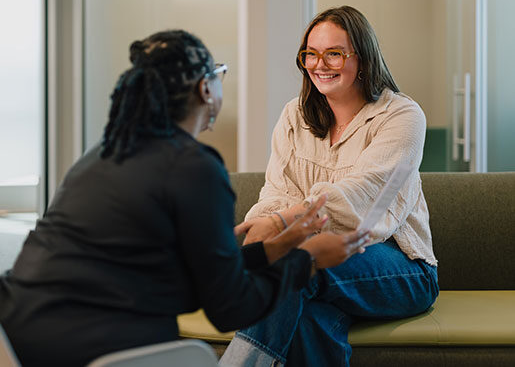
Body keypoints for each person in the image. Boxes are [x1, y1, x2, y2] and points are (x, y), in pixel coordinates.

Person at [0, 30, 370, 366]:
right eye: (219, 74)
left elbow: (192, 278)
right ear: (206, 89)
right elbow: (230, 309)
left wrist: (275, 248)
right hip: (104, 352)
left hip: (17, 339)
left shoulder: (101, 155)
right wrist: (307, 259)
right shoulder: (195, 168)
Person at [220, 6, 439, 367]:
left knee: (301, 261)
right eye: (311, 54)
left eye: (333, 53)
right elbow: (276, 192)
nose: (319, 64)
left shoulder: (401, 116)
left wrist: (279, 226)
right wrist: (262, 234)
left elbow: (361, 195)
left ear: (363, 60)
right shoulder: (294, 115)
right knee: (309, 321)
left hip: (402, 269)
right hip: (325, 268)